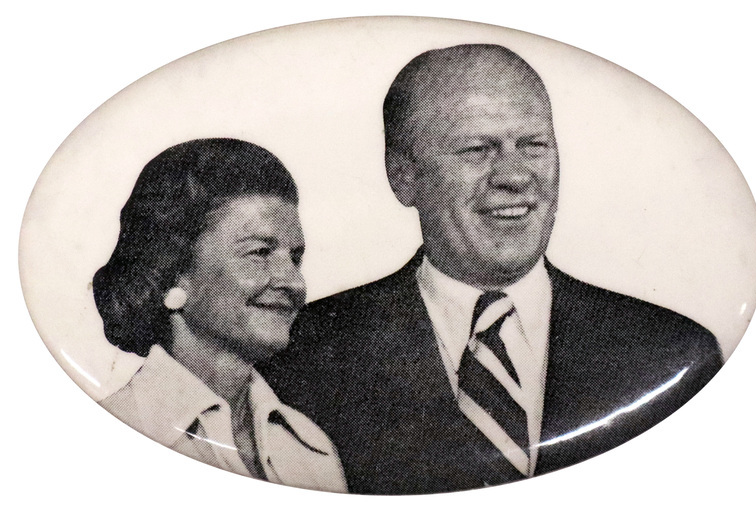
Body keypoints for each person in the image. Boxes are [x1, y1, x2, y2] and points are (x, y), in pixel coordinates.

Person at [265, 44, 723, 494]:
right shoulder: (298, 356)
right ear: (403, 176)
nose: (515, 176)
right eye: (477, 149)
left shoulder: (674, 357)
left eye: (534, 145)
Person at [94, 138, 347, 493]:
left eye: (295, 257)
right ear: (171, 273)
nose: (294, 281)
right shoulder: (109, 433)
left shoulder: (311, 449)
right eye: (259, 252)